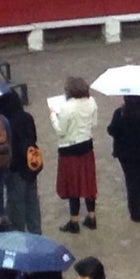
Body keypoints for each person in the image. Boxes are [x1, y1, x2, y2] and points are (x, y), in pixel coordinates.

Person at [51, 76, 99, 233]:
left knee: (73, 186)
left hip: (69, 149)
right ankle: (91, 217)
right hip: (86, 146)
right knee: (88, 182)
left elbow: (61, 131)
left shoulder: (66, 107)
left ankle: (74, 221)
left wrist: (53, 116)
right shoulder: (91, 102)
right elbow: (94, 123)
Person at [0, 90, 42, 234]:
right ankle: (36, 234)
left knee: (16, 205)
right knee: (32, 202)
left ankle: (18, 235)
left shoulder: (4, 122)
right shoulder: (27, 117)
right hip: (31, 166)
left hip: (15, 169)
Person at [106, 94, 140, 223]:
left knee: (131, 181)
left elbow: (112, 130)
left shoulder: (120, 113)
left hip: (126, 152)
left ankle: (136, 214)